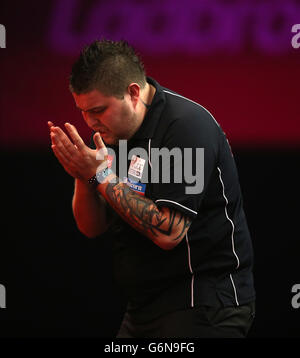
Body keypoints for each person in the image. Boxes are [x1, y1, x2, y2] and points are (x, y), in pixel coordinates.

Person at [48, 39, 255, 338]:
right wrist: (83, 176)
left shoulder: (185, 126)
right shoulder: (111, 135)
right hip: (144, 308)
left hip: (204, 303)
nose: (91, 122)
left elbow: (169, 231)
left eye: (98, 110)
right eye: (83, 111)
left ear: (133, 93)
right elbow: (91, 227)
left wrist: (101, 175)